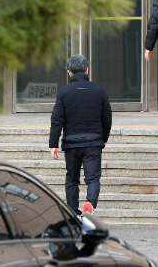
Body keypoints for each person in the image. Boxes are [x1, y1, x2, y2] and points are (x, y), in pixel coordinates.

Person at [49, 55, 111, 216]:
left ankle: (73, 212)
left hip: (71, 144)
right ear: (87, 70)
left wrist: (53, 144)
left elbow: (57, 120)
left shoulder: (64, 92)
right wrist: (104, 138)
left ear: (69, 72)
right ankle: (90, 203)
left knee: (72, 179)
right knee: (93, 178)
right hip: (93, 142)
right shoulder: (98, 90)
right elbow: (107, 117)